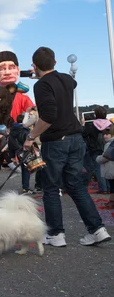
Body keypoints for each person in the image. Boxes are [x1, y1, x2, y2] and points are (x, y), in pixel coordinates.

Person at [24, 46, 111, 246]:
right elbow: (72, 81)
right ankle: (97, 230)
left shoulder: (41, 86)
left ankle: (56, 234)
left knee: (51, 188)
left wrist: (31, 137)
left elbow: (48, 116)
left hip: (56, 141)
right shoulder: (66, 79)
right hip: (76, 139)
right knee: (76, 186)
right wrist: (43, 75)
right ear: (55, 62)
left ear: (34, 66)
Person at [0, 51, 35, 121]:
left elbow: (32, 115)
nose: (7, 72)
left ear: (18, 71)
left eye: (11, 68)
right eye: (2, 69)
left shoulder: (23, 98)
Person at [82, 106, 110, 192]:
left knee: (98, 168)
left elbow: (84, 134)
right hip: (108, 147)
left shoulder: (92, 125)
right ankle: (109, 188)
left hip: (95, 149)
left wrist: (83, 125)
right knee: (108, 168)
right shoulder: (110, 124)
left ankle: (103, 188)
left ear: (95, 115)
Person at [9, 114, 33, 194]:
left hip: (18, 152)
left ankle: (25, 187)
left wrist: (12, 155)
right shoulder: (26, 130)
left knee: (24, 169)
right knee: (28, 169)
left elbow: (10, 143)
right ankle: (26, 187)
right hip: (26, 151)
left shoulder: (12, 130)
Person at [96, 128, 114, 207]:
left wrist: (98, 158)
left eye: (107, 134)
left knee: (112, 186)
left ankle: (112, 201)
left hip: (111, 169)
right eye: (104, 134)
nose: (105, 136)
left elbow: (105, 157)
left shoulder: (109, 144)